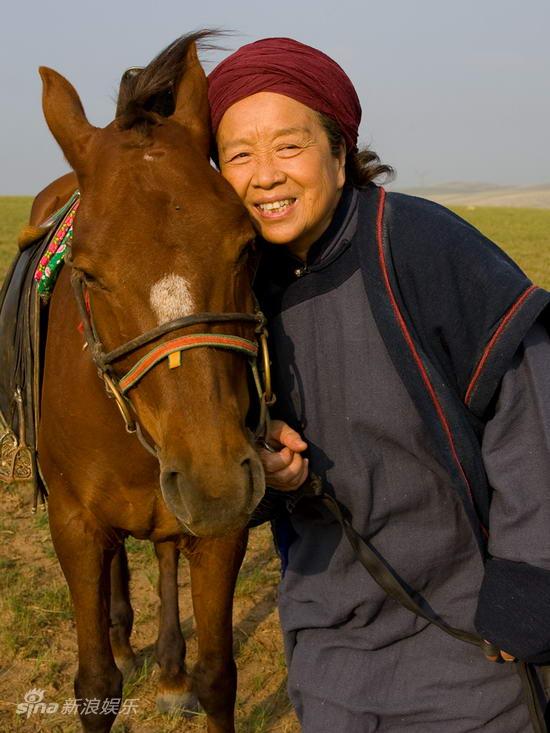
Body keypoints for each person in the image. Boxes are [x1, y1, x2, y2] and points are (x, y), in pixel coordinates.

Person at [207, 38, 550, 732]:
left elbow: (532, 413)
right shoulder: (237, 295)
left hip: (469, 650)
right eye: (240, 154)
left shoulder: (421, 246)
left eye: (289, 146)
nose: (265, 175)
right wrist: (270, 471)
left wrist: (527, 591)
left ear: (339, 151)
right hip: (329, 650)